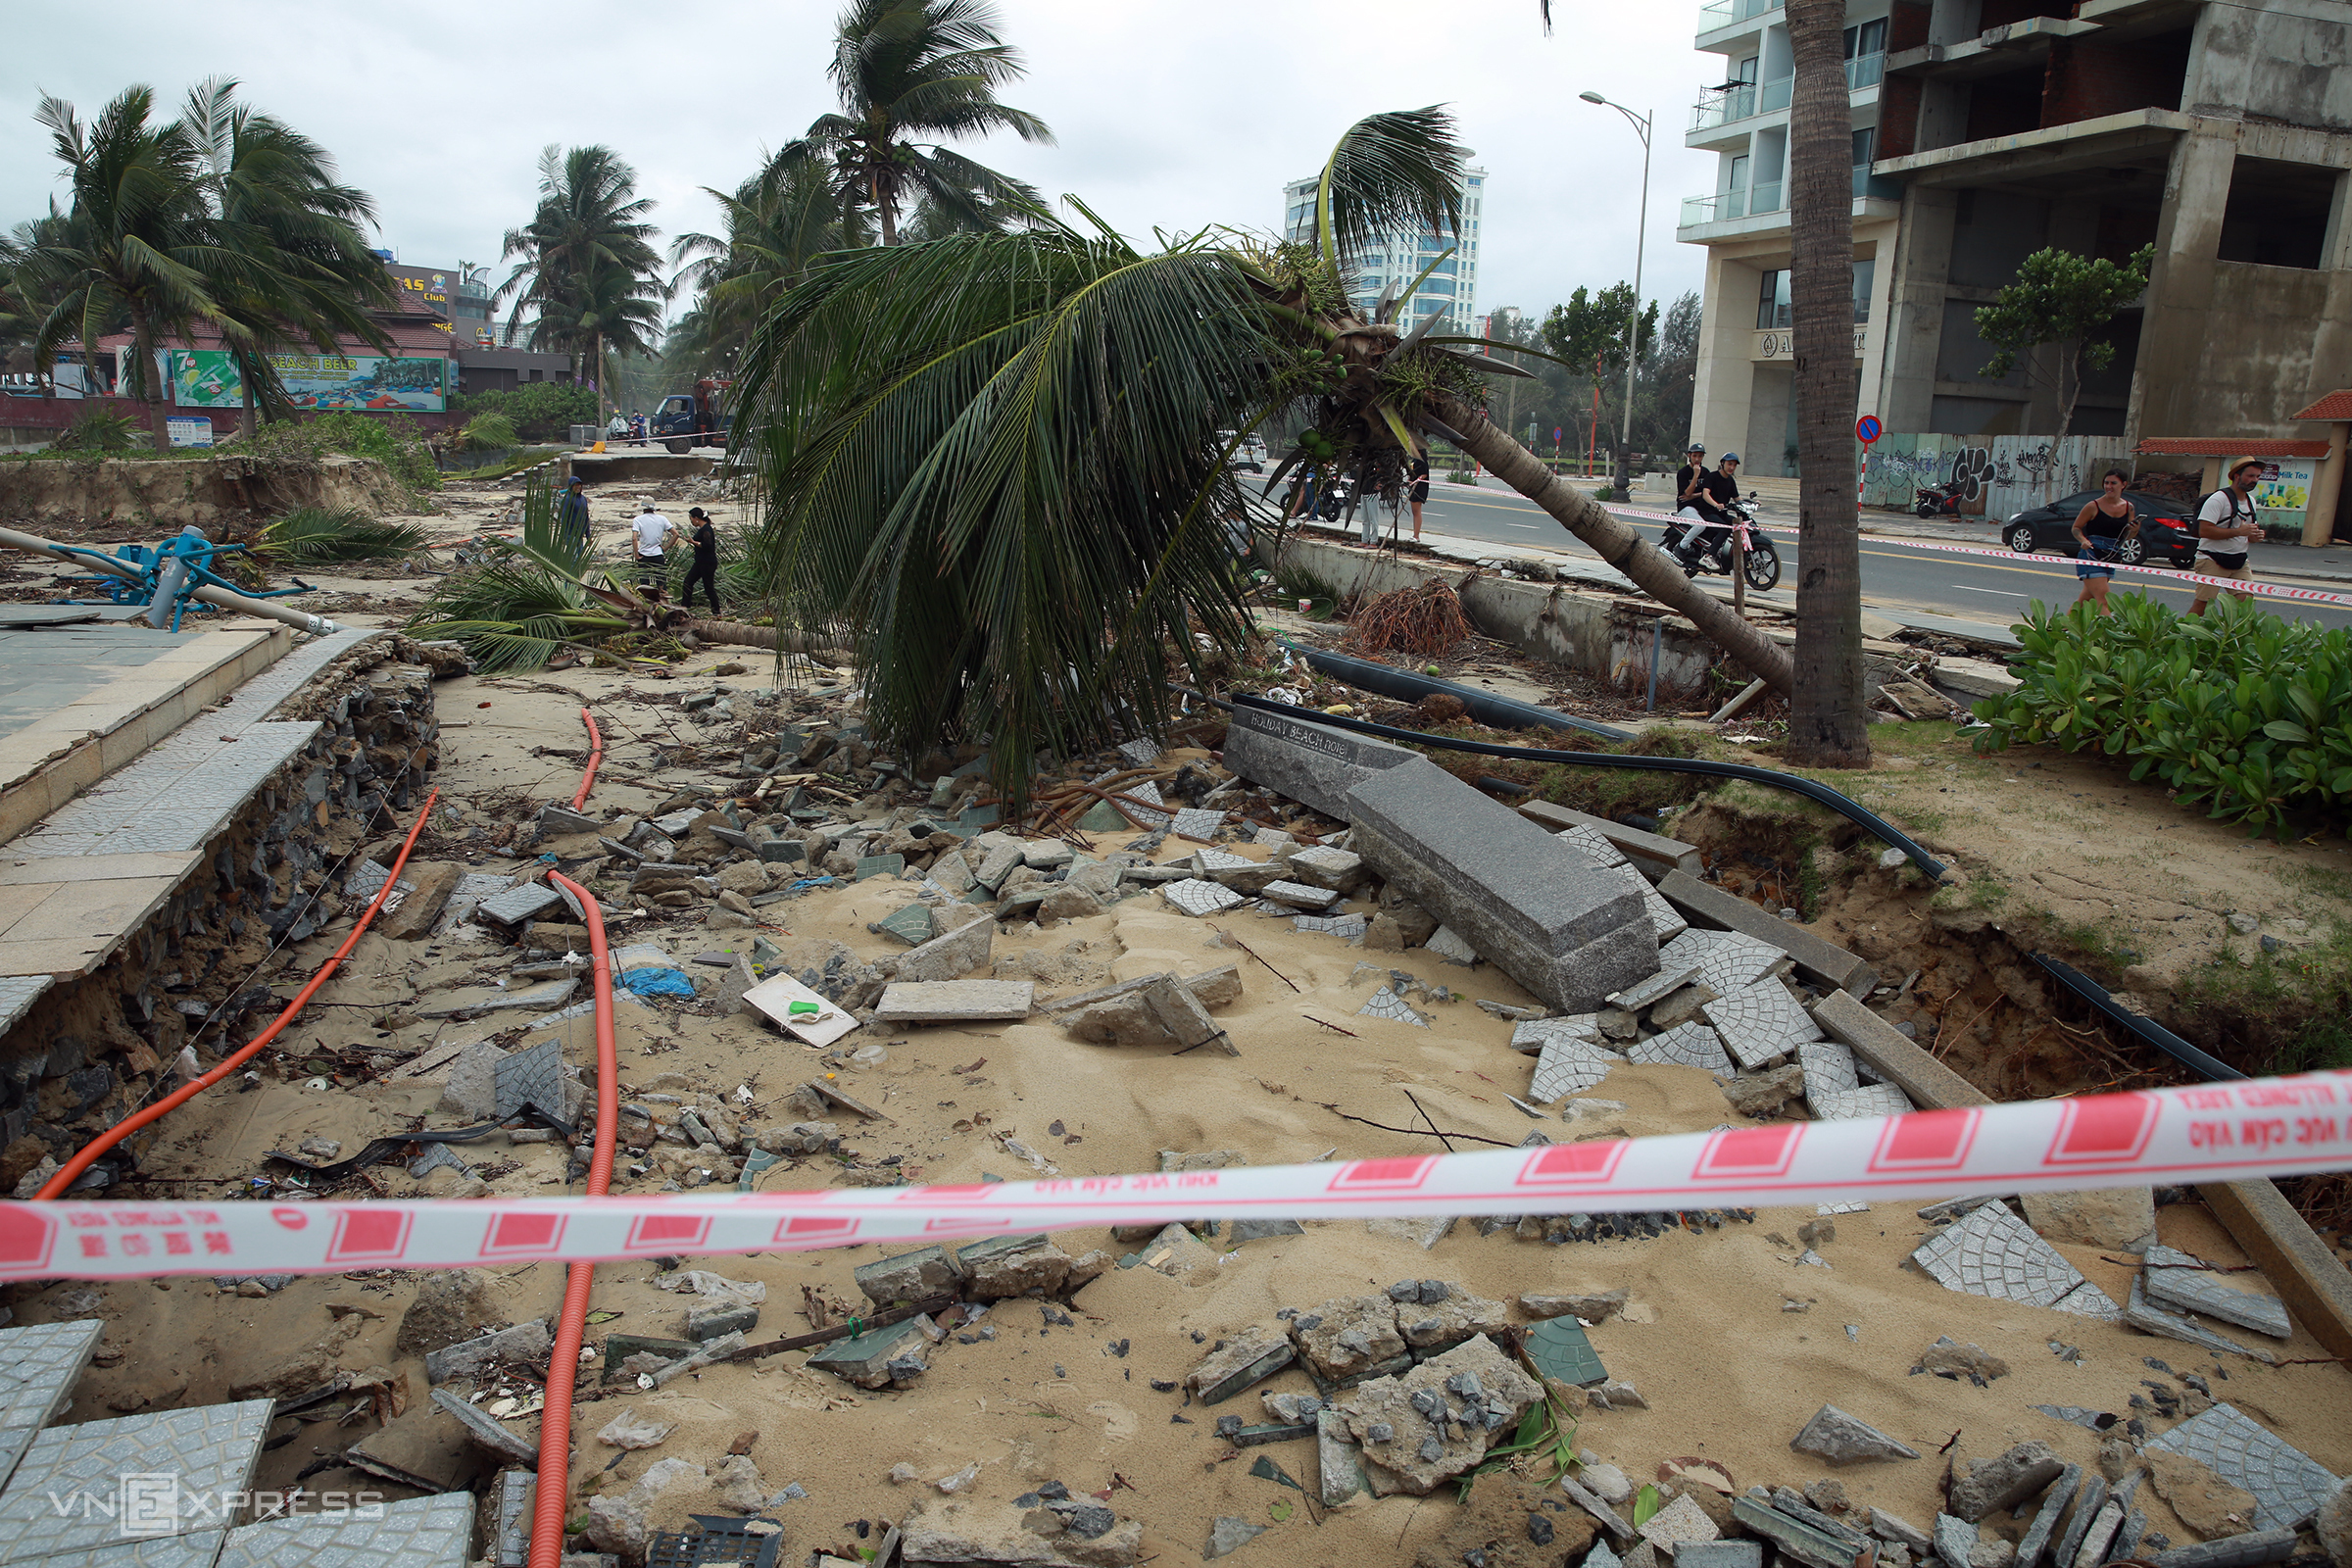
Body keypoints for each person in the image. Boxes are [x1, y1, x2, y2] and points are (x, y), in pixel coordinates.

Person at [2190, 457, 2266, 615]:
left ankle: (2232, 635)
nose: (2255, 480)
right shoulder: (2218, 499)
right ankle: (2182, 633)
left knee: (2246, 604)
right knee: (2203, 604)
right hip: (2212, 560)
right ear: (2236, 476)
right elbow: (2204, 531)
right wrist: (2239, 532)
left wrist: (2256, 535)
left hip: (2238, 561)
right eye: (2250, 476)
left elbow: (2248, 533)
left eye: (2258, 477)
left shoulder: (2251, 501)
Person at [2070, 468, 2140, 616]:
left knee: (2086, 599)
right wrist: (2083, 540)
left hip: (2112, 554)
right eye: (2106, 483)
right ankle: (2110, 634)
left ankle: (2061, 626)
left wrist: (2135, 529)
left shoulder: (2129, 507)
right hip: (2092, 553)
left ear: (2123, 485)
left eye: (2113, 483)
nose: (2109, 486)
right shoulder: (2093, 506)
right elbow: (2076, 528)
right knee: (2104, 599)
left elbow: (2128, 536)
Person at [629, 499, 676, 597]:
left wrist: (636, 554)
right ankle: (664, 605)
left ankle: (647, 605)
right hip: (658, 554)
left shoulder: (638, 519)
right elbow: (676, 534)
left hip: (644, 555)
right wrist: (666, 548)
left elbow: (634, 538)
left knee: (645, 585)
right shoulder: (662, 519)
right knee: (662, 584)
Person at [681, 506, 721, 613]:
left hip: (707, 563)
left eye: (691, 519)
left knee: (708, 587)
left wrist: (692, 542)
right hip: (700, 562)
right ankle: (685, 607)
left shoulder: (706, 529)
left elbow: (707, 546)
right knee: (688, 582)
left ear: (696, 518)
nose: (691, 522)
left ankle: (716, 611)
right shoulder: (703, 529)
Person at [557, 474, 592, 552]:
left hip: (580, 534)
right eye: (575, 485)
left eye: (579, 485)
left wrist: (588, 536)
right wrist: (564, 535)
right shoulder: (567, 499)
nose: (578, 487)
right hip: (571, 534)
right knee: (573, 558)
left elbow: (585, 518)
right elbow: (564, 517)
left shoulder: (583, 499)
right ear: (571, 486)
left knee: (579, 557)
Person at [1407, 452, 1431, 540]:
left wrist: (1416, 481)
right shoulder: (1414, 459)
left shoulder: (1422, 460)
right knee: (1414, 511)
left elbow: (1424, 474)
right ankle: (1415, 534)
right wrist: (1410, 479)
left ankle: (1416, 535)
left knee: (1417, 511)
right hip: (1412, 486)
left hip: (1419, 487)